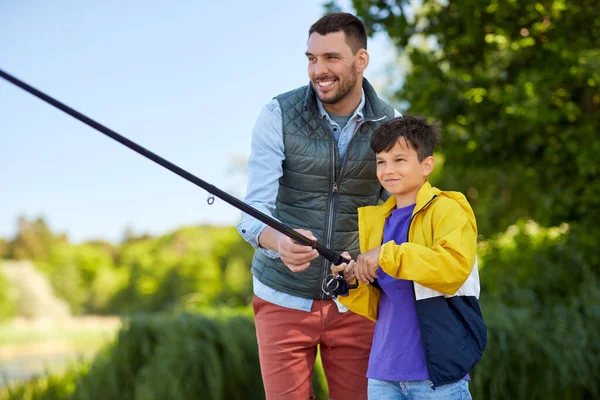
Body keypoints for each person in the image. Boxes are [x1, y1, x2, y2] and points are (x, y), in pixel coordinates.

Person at [237, 12, 401, 400]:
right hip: (281, 295)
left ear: (361, 60)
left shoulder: (392, 124)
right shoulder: (277, 115)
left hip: (356, 299)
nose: (319, 70)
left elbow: (399, 214)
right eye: (311, 59)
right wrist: (278, 241)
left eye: (331, 58)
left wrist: (374, 261)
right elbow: (252, 210)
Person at [331, 116, 487, 399]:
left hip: (437, 378)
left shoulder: (448, 210)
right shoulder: (378, 221)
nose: (388, 170)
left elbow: (452, 268)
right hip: (383, 375)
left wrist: (387, 255)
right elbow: (382, 302)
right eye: (381, 161)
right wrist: (352, 278)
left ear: (427, 165)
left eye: (399, 159)